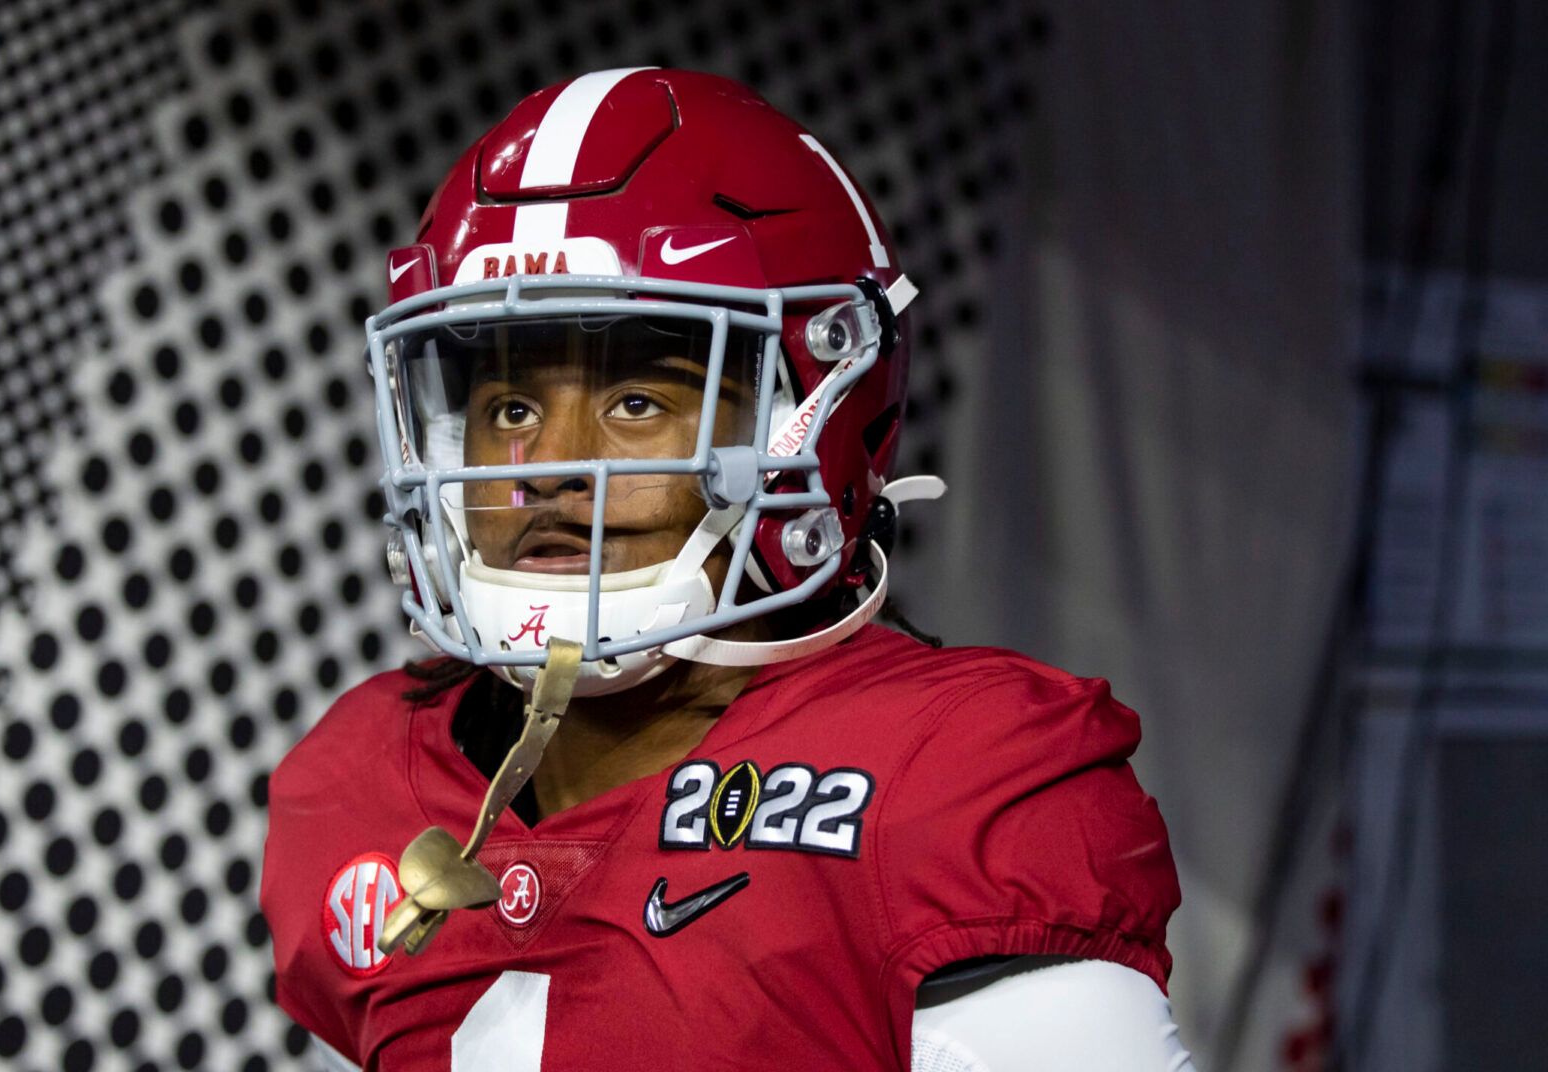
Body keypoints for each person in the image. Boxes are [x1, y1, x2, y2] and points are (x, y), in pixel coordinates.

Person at [259, 68, 1195, 1071]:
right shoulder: (367, 781)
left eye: (637, 403)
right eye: (511, 411)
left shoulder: (950, 783)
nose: (552, 473)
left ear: (815, 420)